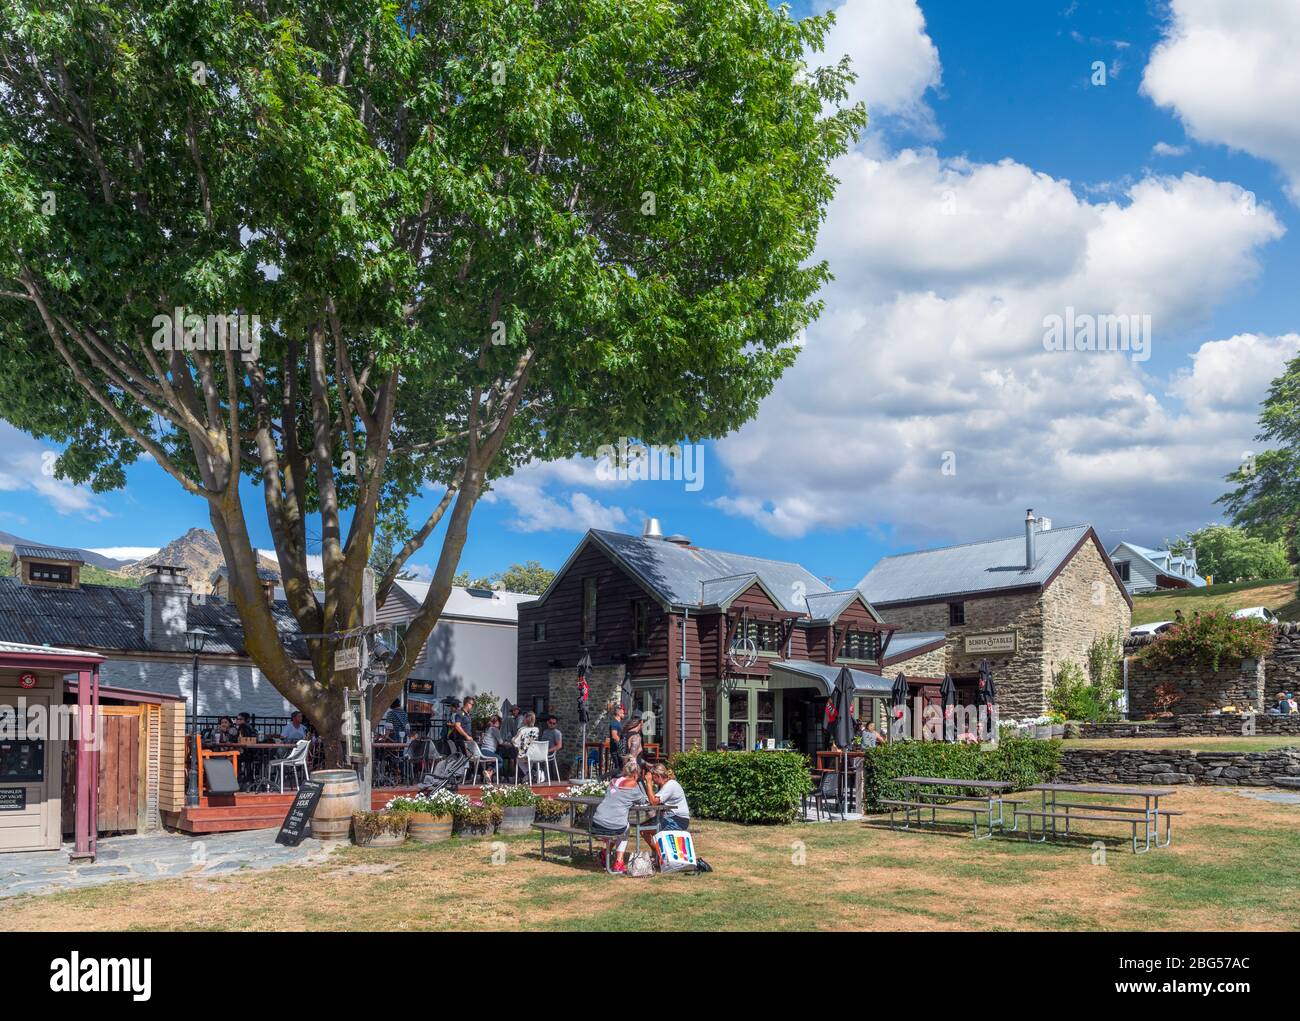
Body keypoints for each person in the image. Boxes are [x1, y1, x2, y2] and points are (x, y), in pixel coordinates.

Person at [590, 760, 649, 873]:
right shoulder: (633, 785)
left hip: (597, 821)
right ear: (636, 774)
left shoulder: (613, 781)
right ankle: (619, 862)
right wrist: (643, 782)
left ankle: (605, 852)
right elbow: (643, 800)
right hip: (613, 825)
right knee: (624, 829)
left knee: (618, 827)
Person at [642, 763, 690, 861]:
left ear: (657, 776)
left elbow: (654, 802)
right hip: (671, 817)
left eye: (653, 778)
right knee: (643, 829)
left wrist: (649, 783)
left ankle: (663, 857)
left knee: (645, 830)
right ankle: (660, 855)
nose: (654, 781)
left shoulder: (670, 785)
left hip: (677, 820)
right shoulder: (666, 785)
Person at [481, 713, 514, 779]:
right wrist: (510, 744)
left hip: (482, 751)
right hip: (488, 752)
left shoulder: (488, 729)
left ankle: (488, 772)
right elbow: (501, 742)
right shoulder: (494, 729)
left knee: (496, 757)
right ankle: (490, 773)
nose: (500, 725)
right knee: (500, 761)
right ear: (497, 722)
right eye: (500, 722)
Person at [607, 704, 626, 776]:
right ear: (618, 712)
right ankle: (601, 779)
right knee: (618, 770)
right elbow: (614, 736)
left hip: (618, 750)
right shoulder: (614, 723)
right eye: (623, 712)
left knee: (620, 769)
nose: (624, 713)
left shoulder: (618, 723)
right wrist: (622, 746)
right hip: (616, 750)